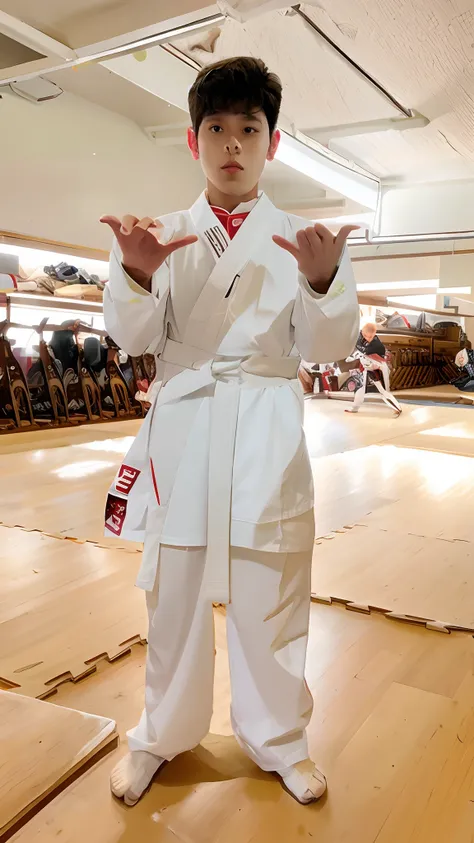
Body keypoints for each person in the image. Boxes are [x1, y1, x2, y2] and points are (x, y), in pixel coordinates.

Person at [100, 57, 359, 807]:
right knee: (172, 593)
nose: (233, 143)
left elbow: (328, 347)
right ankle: (158, 734)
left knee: (271, 591)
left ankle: (280, 739)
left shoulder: (298, 238)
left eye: (250, 128)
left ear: (273, 143)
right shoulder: (163, 233)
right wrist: (140, 274)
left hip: (266, 430)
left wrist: (320, 283)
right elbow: (130, 331)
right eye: (217, 127)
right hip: (187, 425)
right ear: (193, 141)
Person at [345, 322, 402, 415]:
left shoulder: (377, 345)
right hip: (365, 367)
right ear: (362, 333)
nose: (369, 339)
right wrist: (353, 357)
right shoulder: (356, 337)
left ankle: (397, 407)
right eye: (367, 336)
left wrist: (376, 364)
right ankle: (354, 408)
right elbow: (355, 351)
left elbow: (382, 361)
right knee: (359, 388)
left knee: (383, 390)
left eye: (371, 336)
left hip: (376, 368)